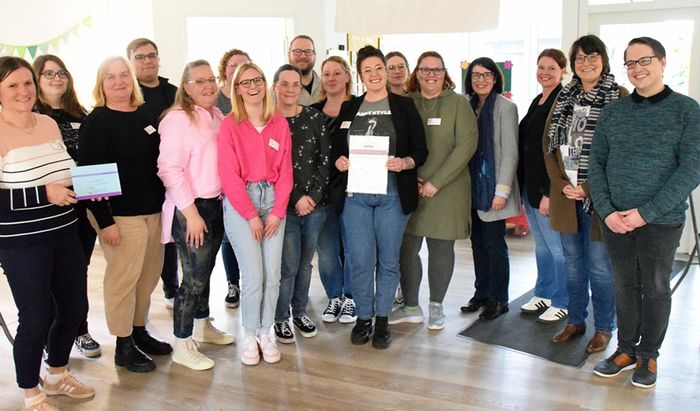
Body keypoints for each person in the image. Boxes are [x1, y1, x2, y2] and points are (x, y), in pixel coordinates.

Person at [590, 37, 700, 388]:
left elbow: (691, 168)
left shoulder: (687, 110)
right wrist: (606, 210)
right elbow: (596, 163)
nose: (637, 68)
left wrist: (646, 212)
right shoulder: (614, 111)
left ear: (663, 62)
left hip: (661, 220)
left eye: (644, 60)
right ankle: (625, 350)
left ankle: (648, 356)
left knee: (654, 288)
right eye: (630, 63)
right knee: (624, 286)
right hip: (615, 220)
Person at [0, 56, 95, 411]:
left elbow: (65, 175)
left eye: (27, 83)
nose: (23, 91)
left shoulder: (48, 124)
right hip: (22, 243)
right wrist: (44, 194)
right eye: (12, 85)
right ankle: (30, 393)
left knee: (73, 308)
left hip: (65, 232)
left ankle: (56, 374)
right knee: (36, 316)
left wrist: (91, 186)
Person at [332, 45, 427, 349]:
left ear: (386, 71)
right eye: (367, 70)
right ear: (360, 76)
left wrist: (405, 163)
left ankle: (383, 319)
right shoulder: (350, 108)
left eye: (378, 68)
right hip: (356, 195)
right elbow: (337, 150)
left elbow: (420, 151)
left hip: (392, 194)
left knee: (388, 259)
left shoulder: (404, 106)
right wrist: (340, 161)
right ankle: (363, 318)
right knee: (360, 260)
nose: (374, 74)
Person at [80, 56, 171, 373]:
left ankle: (138, 331)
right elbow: (89, 177)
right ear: (101, 83)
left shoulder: (145, 114)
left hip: (152, 211)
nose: (118, 82)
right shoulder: (97, 121)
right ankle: (123, 344)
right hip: (119, 217)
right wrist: (105, 223)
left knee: (147, 278)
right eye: (110, 77)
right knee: (123, 280)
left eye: (123, 75)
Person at [543, 34, 627, 353]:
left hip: (600, 200)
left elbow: (622, 152)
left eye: (592, 57)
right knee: (573, 265)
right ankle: (576, 320)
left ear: (603, 60)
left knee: (600, 267)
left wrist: (589, 188)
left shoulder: (618, 96)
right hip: (566, 197)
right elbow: (548, 146)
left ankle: (604, 327)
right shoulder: (565, 97)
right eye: (579, 58)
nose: (586, 63)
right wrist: (561, 183)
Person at [390, 51, 477, 330]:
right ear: (416, 72)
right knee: (407, 248)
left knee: (441, 248)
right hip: (411, 186)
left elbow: (465, 148)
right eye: (425, 70)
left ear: (445, 72)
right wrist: (412, 177)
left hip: (448, 189)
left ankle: (437, 306)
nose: (431, 75)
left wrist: (435, 182)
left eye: (436, 70)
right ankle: (411, 306)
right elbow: (398, 143)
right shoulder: (406, 103)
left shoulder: (459, 104)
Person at [158, 60, 235, 371]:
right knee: (192, 280)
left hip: (215, 205)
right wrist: (190, 214)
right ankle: (182, 341)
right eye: (199, 81)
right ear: (186, 88)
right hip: (192, 209)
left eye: (211, 79)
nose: (208, 86)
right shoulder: (177, 120)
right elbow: (169, 170)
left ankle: (203, 326)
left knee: (205, 274)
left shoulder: (216, 115)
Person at [218, 62, 293, 365]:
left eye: (257, 80)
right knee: (253, 274)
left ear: (265, 84)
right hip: (241, 203)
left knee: (273, 274)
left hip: (274, 198)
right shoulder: (229, 125)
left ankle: (266, 331)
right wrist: (250, 215)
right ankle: (249, 333)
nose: (252, 86)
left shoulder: (279, 122)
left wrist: (276, 212)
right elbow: (228, 175)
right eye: (245, 82)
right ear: (237, 89)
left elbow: (286, 172)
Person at [32, 54, 102, 358]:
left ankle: (79, 329)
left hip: (81, 205)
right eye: (48, 74)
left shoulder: (81, 112)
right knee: (49, 277)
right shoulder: (31, 116)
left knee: (78, 272)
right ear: (37, 79)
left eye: (61, 73)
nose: (56, 78)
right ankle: (51, 338)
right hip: (47, 207)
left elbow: (92, 159)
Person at [272, 64, 331, 343]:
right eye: (284, 84)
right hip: (284, 206)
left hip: (314, 207)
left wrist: (313, 198)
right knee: (288, 265)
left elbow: (325, 160)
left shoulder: (315, 118)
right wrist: (297, 198)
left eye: (295, 84)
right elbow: (273, 167)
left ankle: (299, 311)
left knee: (306, 264)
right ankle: (281, 317)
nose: (290, 90)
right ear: (275, 87)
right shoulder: (270, 123)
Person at [459, 57, 520, 320]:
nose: (480, 80)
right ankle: (481, 292)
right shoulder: (467, 106)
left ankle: (499, 298)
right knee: (477, 243)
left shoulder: (506, 107)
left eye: (486, 75)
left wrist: (502, 191)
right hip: (471, 188)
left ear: (495, 78)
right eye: (475, 75)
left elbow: (510, 152)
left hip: (494, 188)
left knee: (495, 245)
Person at [516, 49, 570, 323]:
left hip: (548, 188)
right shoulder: (538, 99)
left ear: (563, 71)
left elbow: (560, 151)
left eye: (551, 68)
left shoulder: (563, 101)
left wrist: (551, 192)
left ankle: (563, 299)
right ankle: (544, 292)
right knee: (541, 246)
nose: (544, 72)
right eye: (540, 67)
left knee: (557, 247)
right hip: (530, 184)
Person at [127, 37, 180, 308]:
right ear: (131, 62)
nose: (147, 61)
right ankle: (140, 299)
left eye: (152, 55)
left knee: (170, 235)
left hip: (174, 175)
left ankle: (172, 289)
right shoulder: (127, 95)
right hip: (142, 179)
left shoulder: (174, 92)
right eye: (140, 57)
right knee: (147, 242)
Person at [310, 56, 357, 324]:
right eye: (326, 74)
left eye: (336, 73)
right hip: (322, 192)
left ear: (347, 76)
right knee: (327, 251)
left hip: (353, 191)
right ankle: (335, 297)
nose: (331, 78)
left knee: (352, 248)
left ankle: (351, 297)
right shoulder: (313, 112)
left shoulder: (360, 107)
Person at [215, 48, 251, 309]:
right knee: (229, 236)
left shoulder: (254, 96)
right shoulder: (215, 99)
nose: (237, 68)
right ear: (225, 69)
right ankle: (232, 283)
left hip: (252, 176)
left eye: (244, 65)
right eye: (233, 65)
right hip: (224, 177)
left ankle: (251, 283)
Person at [288, 35, 321, 105]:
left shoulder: (327, 86)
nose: (303, 56)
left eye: (308, 51)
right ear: (289, 55)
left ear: (315, 55)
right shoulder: (276, 91)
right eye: (297, 51)